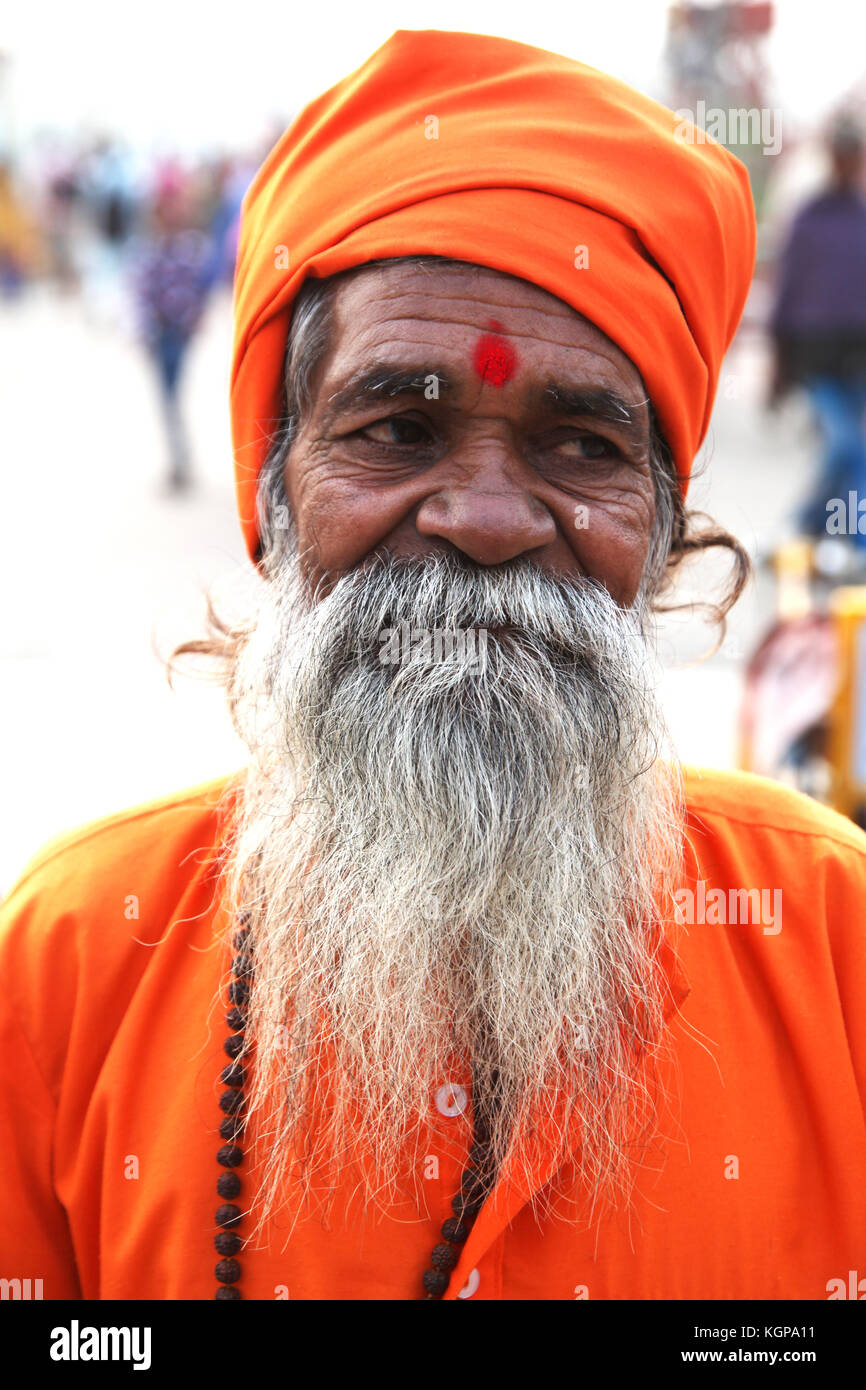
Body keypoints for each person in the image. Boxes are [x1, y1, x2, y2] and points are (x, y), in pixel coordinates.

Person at [2, 29, 866, 1302]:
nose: (485, 516)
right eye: (398, 426)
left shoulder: (831, 947)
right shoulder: (66, 965)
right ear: (274, 493)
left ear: (664, 532)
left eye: (580, 447)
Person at [768, 115, 866, 559]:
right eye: (842, 152)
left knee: (851, 448)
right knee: (847, 444)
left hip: (858, 359)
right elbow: (786, 292)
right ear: (832, 155)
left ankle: (809, 531)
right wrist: (779, 364)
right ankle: (851, 540)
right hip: (815, 357)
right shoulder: (809, 217)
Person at [128, 169, 214, 491]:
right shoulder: (149, 249)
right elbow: (141, 292)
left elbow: (201, 285)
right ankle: (178, 460)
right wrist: (142, 328)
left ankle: (181, 460)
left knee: (173, 396)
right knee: (167, 398)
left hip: (180, 334)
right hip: (159, 334)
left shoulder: (192, 247)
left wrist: (197, 315)